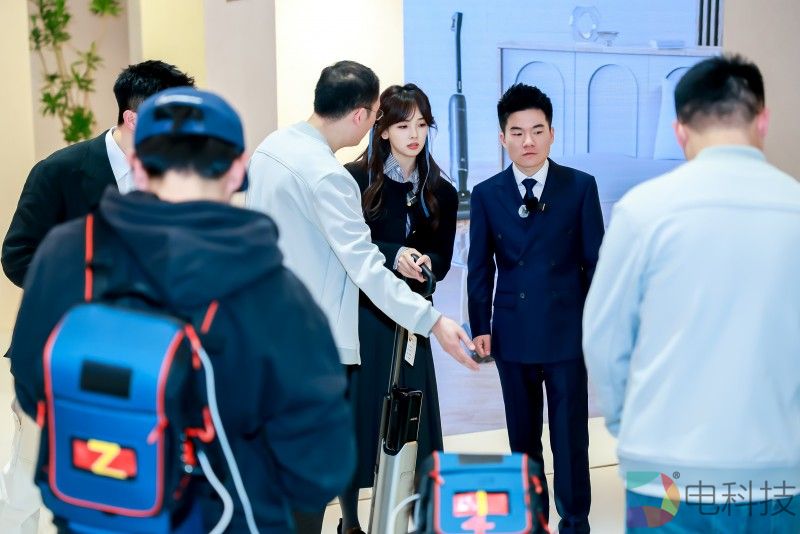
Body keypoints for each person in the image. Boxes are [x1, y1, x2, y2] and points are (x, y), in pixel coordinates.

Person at [9, 87, 355, 533]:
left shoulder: (68, 252)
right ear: (237, 170)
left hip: (95, 510)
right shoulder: (274, 291)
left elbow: (32, 386)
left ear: (137, 164)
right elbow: (321, 463)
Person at [246, 61, 477, 532]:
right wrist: (434, 321)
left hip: (271, 331)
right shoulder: (331, 177)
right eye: (379, 115)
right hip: (315, 343)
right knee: (311, 476)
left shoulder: (272, 148)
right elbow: (366, 265)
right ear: (362, 116)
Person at [583, 54, 800, 532]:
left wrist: (627, 427)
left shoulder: (643, 211)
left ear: (680, 131)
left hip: (662, 471)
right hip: (779, 469)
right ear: (762, 120)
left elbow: (603, 339)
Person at [0, 60, 194, 534]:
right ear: (133, 119)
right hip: (56, 355)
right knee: (29, 479)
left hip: (136, 362)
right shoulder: (60, 172)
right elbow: (17, 255)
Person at [467, 83, 604, 533]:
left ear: (552, 134)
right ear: (502, 137)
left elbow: (595, 263)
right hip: (512, 333)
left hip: (567, 332)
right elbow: (479, 266)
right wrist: (480, 324)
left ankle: (575, 522)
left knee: (570, 438)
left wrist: (596, 324)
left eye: (537, 130)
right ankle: (531, 520)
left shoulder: (580, 187)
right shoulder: (487, 193)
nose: (528, 141)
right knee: (522, 439)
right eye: (517, 132)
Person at [340, 83, 458, 533]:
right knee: (362, 418)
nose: (414, 135)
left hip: (414, 316)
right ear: (383, 129)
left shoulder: (441, 191)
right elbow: (350, 248)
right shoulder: (355, 180)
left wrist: (424, 264)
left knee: (415, 422)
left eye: (422, 125)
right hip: (367, 315)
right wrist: (395, 253)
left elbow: (442, 260)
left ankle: (413, 520)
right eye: (404, 125)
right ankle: (351, 523)